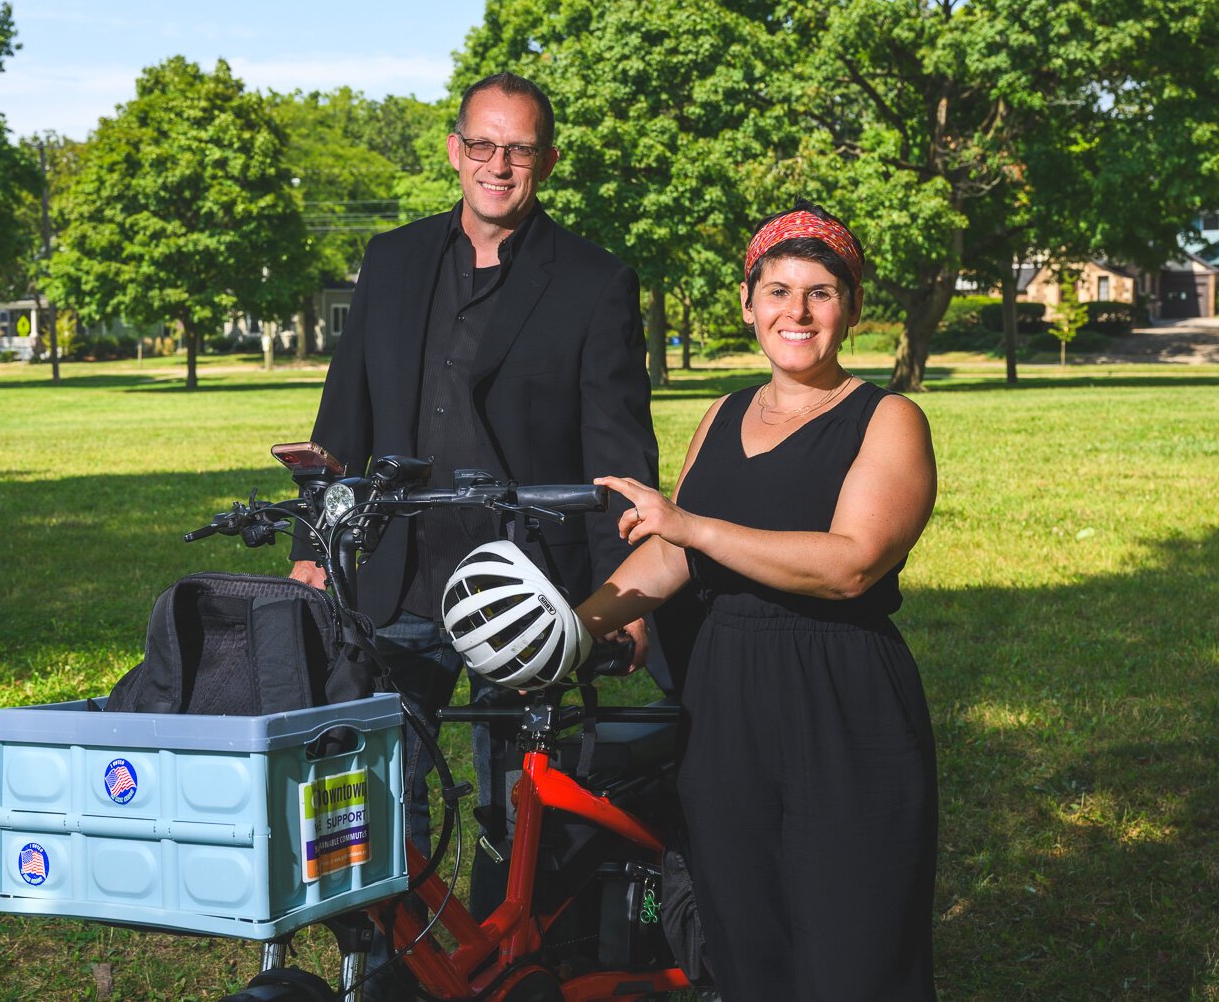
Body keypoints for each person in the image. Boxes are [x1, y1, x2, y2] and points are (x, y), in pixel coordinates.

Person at [289, 71, 658, 895]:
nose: (499, 163)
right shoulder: (392, 259)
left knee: (514, 809)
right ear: (456, 152)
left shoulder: (595, 281)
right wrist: (311, 549)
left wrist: (623, 591)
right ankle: (392, 972)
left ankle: (509, 964)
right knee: (386, 799)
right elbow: (342, 414)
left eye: (520, 148)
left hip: (524, 588)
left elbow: (617, 450)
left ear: (548, 161)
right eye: (483, 144)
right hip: (395, 576)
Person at [577, 201, 939, 1000]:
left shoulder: (889, 419)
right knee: (744, 939)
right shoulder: (723, 412)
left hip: (842, 701)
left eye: (820, 292)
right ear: (747, 303)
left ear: (851, 307)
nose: (796, 312)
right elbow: (670, 551)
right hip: (724, 697)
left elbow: (851, 565)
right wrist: (573, 626)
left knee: (855, 945)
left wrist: (694, 525)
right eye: (776, 290)